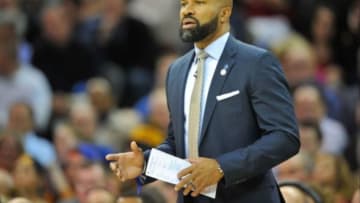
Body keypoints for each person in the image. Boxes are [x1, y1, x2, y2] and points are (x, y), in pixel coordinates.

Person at [106, 0, 299, 202]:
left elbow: (284, 137)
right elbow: (177, 143)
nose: (187, 10)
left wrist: (221, 167)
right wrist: (145, 164)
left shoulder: (256, 63)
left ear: (224, 13)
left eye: (199, 2)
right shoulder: (176, 70)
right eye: (183, 4)